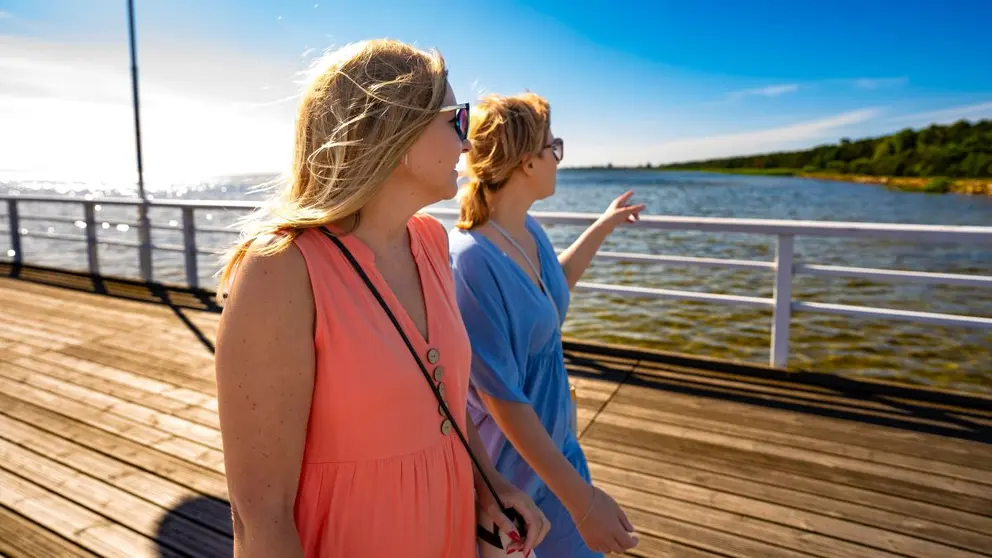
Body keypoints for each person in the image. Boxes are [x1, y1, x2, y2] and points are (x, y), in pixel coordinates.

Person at [213, 40, 548, 558]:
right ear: (395, 130)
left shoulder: (431, 241)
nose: (466, 145)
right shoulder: (280, 271)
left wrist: (490, 486)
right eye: (455, 119)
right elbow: (262, 519)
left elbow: (443, 396)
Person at [448, 92, 645, 557]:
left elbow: (548, 293)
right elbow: (502, 401)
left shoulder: (526, 229)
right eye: (552, 147)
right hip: (514, 477)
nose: (558, 156)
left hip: (559, 454)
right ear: (526, 163)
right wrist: (582, 502)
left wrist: (602, 226)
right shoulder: (472, 262)